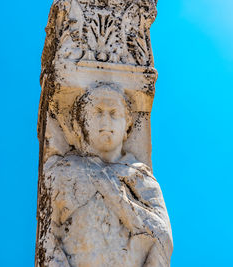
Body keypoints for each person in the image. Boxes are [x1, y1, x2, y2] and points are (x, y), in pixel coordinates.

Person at [42, 83, 173, 266]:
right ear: (80, 123)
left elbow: (163, 237)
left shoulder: (141, 179)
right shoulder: (63, 171)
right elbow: (47, 237)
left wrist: (119, 201)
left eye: (113, 113)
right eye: (97, 113)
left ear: (127, 124)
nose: (105, 122)